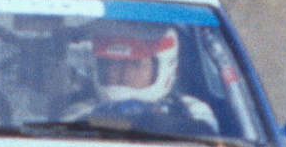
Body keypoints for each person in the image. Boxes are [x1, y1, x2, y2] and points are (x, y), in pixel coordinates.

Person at [70, 23, 219, 134]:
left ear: (165, 67)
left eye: (135, 64)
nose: (125, 75)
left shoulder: (193, 110)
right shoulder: (80, 111)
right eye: (112, 64)